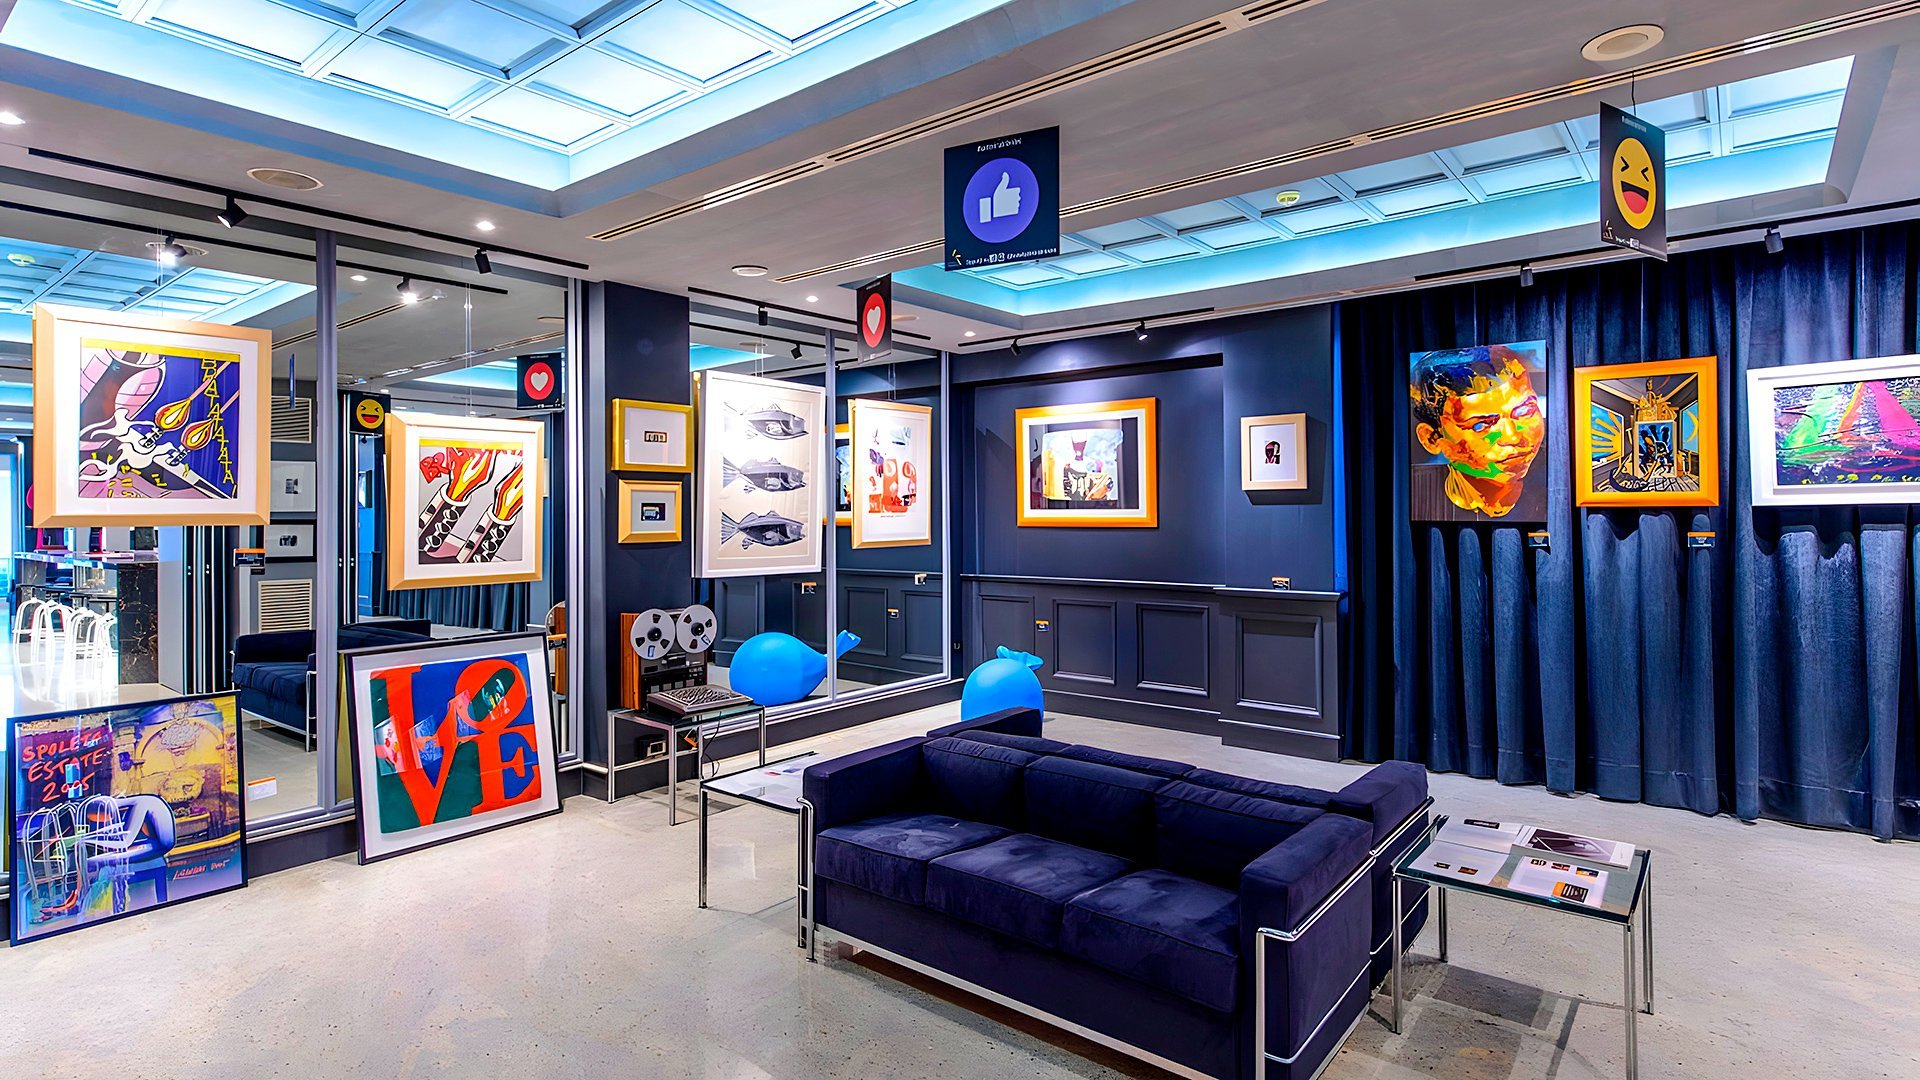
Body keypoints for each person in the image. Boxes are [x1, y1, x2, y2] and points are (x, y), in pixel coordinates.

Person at [1409, 344, 1546, 519]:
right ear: (1431, 439)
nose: (1513, 437)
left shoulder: (1556, 481)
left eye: (1524, 411)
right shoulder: (1422, 496)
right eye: (1480, 425)